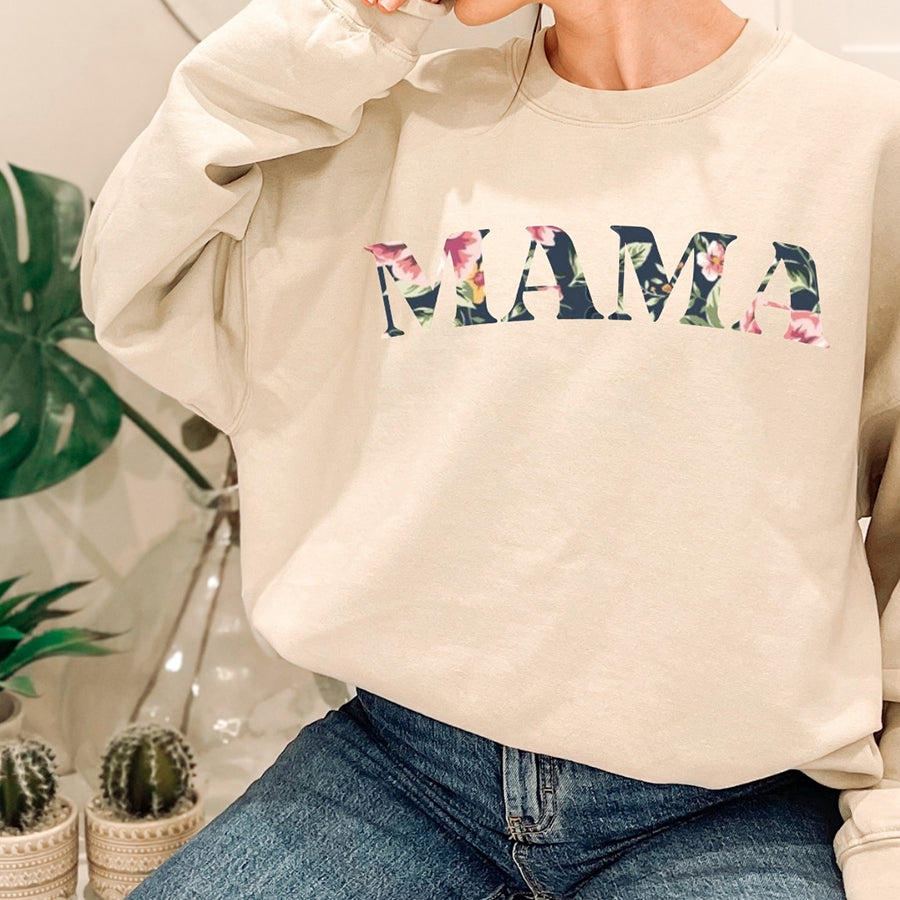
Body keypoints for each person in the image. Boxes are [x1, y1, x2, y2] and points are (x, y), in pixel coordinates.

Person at [78, 0, 900, 896]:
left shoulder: (860, 141)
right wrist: (358, 20)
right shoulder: (386, 120)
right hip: (401, 771)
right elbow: (134, 278)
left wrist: (886, 837)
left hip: (730, 804)